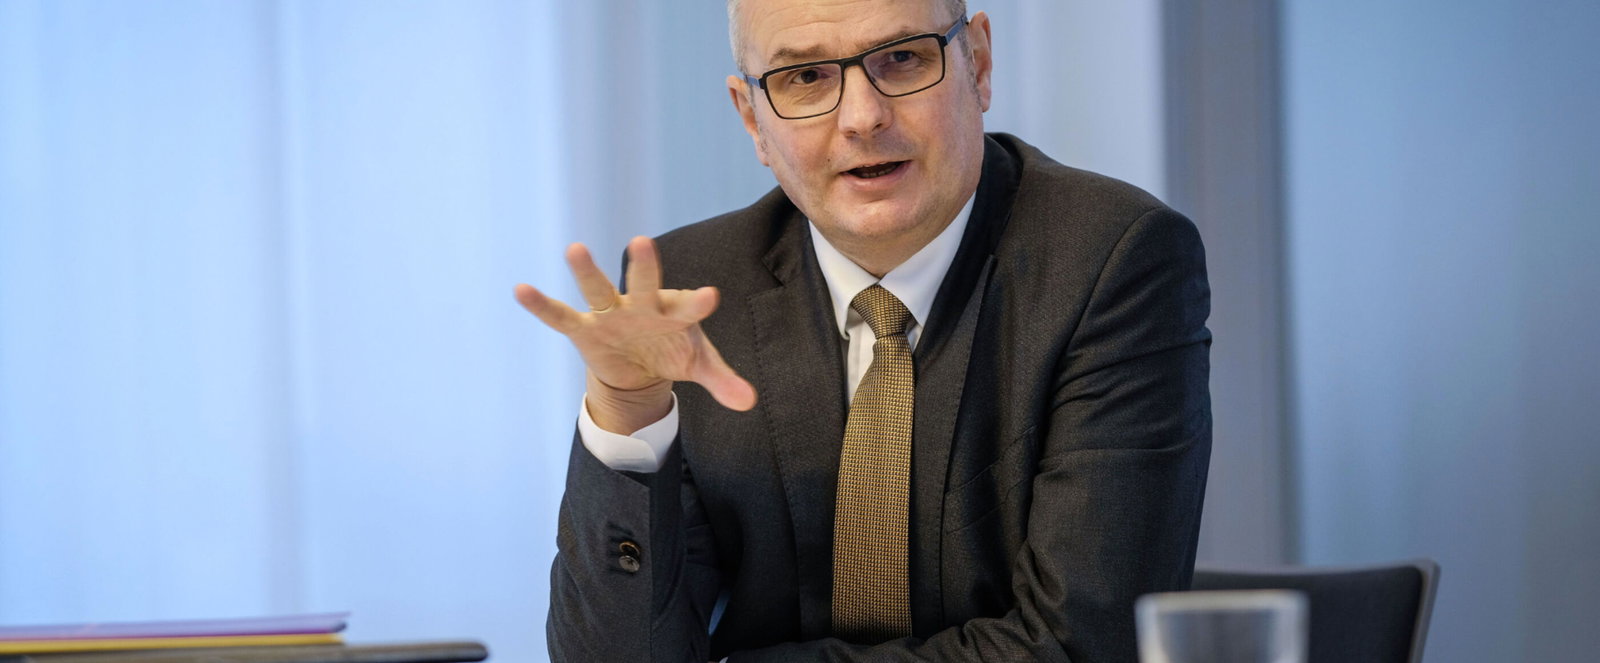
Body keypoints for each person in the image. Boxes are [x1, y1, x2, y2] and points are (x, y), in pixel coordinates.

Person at [517, 0, 1212, 660]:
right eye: (806, 77)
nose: (862, 116)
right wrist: (628, 411)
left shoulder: (1111, 259)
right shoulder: (694, 293)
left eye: (903, 59)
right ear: (753, 120)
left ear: (978, 64)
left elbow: (1082, 647)